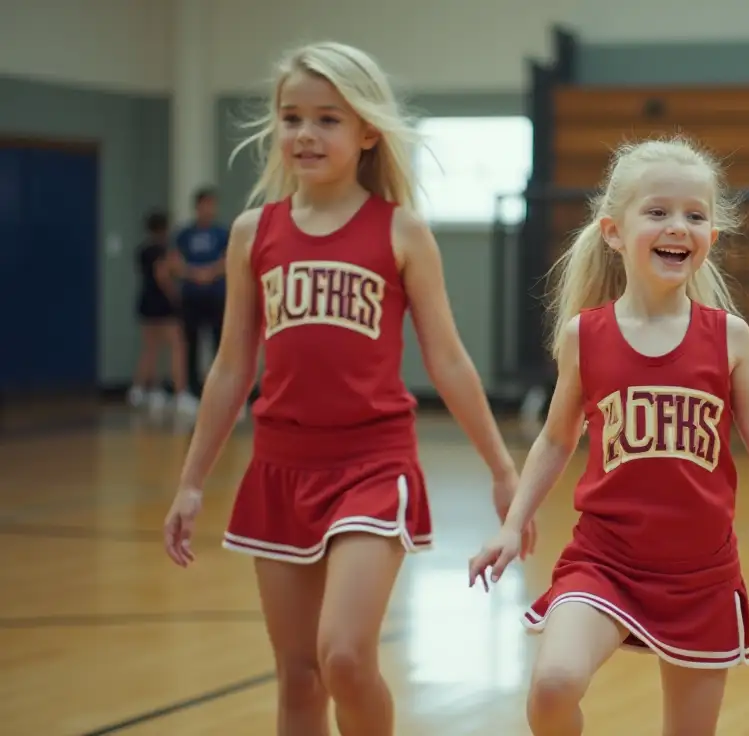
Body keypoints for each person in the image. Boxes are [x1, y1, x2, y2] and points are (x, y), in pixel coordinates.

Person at [160, 41, 534, 736]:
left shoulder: (401, 231)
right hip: (279, 467)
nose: (306, 133)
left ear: (366, 132)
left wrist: (503, 468)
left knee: (345, 657)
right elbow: (232, 368)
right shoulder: (253, 234)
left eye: (328, 119)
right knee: (298, 677)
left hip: (372, 465)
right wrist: (191, 481)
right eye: (292, 117)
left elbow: (448, 361)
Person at [468, 135, 749, 736]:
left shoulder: (729, 338)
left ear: (711, 240)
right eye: (659, 212)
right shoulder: (584, 337)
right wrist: (513, 526)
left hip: (700, 574)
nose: (679, 226)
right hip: (605, 560)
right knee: (553, 686)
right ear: (614, 232)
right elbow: (556, 441)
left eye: (695, 216)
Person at [173, 186, 229, 413]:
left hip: (216, 296)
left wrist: (210, 272)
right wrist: (193, 273)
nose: (209, 209)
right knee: (191, 344)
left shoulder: (222, 233)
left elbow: (228, 260)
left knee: (220, 345)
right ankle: (192, 392)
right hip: (191, 297)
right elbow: (174, 262)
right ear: (197, 207)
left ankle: (222, 394)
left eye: (212, 204)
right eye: (205, 204)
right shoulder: (184, 234)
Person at [128, 209, 188, 413]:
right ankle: (180, 394)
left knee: (150, 349)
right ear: (164, 228)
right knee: (177, 347)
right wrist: (175, 295)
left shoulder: (142, 250)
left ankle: (139, 391)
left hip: (146, 301)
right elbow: (163, 275)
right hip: (162, 304)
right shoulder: (162, 250)